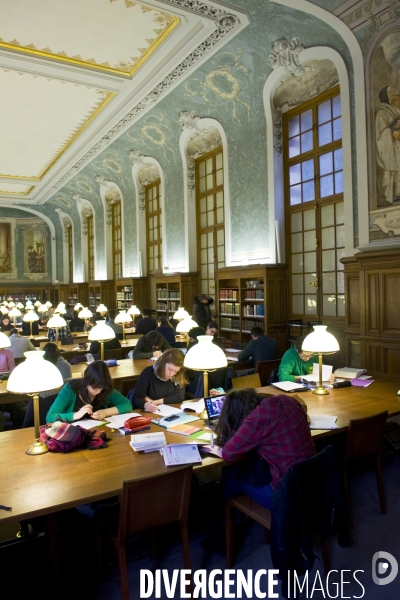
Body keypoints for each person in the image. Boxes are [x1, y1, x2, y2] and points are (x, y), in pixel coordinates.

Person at [216, 388, 315, 509]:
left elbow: (228, 454)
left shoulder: (255, 419)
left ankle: (230, 520)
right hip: (312, 480)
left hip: (286, 494)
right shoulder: (288, 400)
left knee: (230, 472)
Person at [46, 360, 131, 423]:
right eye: (95, 388)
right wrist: (76, 415)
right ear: (86, 382)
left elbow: (127, 404)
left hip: (97, 431)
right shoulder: (70, 389)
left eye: (102, 388)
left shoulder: (105, 389)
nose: (98, 392)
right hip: (72, 434)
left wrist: (105, 412)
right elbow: (50, 417)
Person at [375, 85, 400, 205]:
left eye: (391, 92)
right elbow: (380, 131)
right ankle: (393, 194)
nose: (391, 94)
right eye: (389, 92)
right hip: (388, 143)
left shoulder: (393, 109)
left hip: (396, 142)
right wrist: (393, 129)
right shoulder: (381, 111)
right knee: (392, 169)